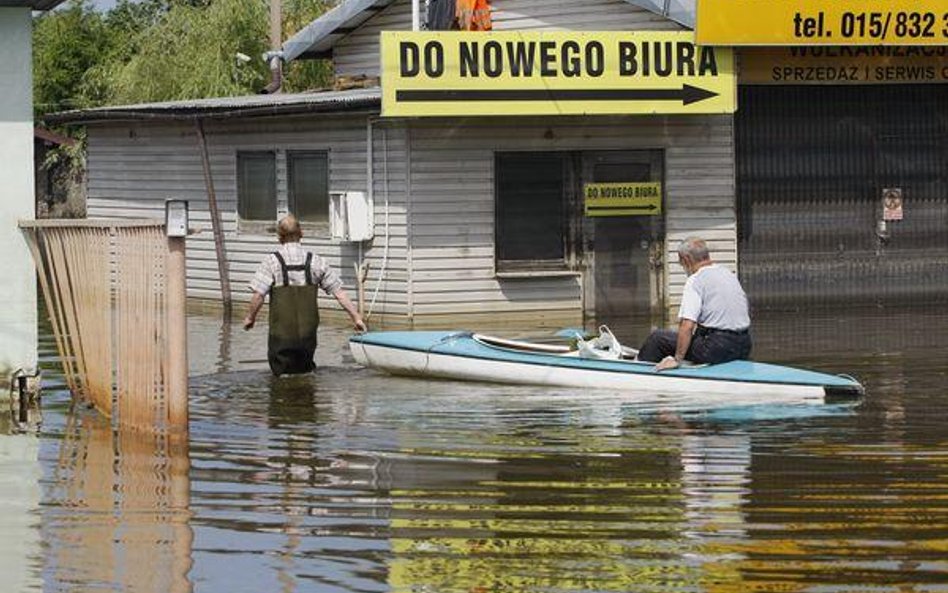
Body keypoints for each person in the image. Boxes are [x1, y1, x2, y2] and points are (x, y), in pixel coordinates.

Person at [243, 214, 367, 375]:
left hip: (281, 336)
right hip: (308, 335)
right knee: (305, 374)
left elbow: (258, 296)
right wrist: (356, 318)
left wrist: (250, 318)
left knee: (282, 378)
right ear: (301, 233)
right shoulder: (316, 261)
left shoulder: (272, 262)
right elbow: (339, 293)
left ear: (279, 237)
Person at [638, 237, 751, 371]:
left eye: (681, 263)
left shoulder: (695, 280)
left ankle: (639, 372)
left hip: (716, 348)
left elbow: (687, 326)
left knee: (657, 338)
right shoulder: (727, 273)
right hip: (744, 345)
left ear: (686, 259)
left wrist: (677, 359)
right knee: (695, 335)